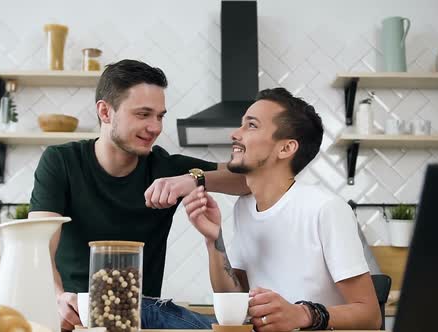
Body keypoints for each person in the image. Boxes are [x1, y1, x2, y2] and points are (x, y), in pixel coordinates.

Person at [28, 59, 248, 330]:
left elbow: (246, 181)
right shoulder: (61, 162)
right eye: (143, 114)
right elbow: (37, 246)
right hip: (74, 317)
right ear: (105, 112)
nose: (155, 127)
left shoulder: (165, 167)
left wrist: (192, 179)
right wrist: (58, 298)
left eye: (160, 116)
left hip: (142, 318)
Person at [182, 87, 382, 331]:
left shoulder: (326, 209)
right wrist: (214, 241)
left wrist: (303, 314)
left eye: (251, 125)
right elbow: (236, 300)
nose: (235, 134)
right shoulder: (244, 208)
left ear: (286, 148)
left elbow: (370, 315)